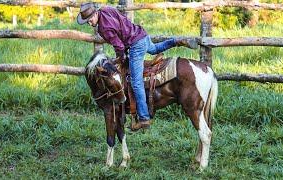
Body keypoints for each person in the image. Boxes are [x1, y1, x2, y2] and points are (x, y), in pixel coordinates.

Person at [77, 2, 198, 131]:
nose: (89, 23)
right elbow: (122, 22)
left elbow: (119, 47)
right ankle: (176, 41)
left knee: (136, 82)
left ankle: (144, 118)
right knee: (154, 48)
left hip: (135, 45)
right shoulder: (107, 9)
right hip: (141, 34)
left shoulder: (104, 28)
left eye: (90, 20)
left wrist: (121, 58)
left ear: (95, 13)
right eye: (87, 22)